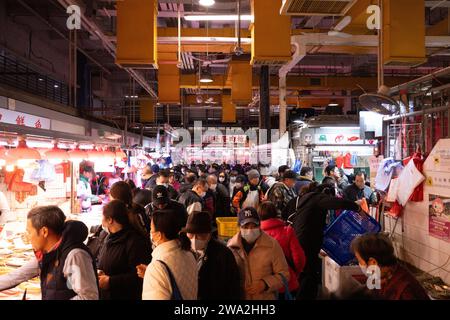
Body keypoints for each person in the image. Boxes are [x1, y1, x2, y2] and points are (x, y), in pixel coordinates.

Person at [0, 206, 99, 300]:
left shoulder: (75, 255)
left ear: (44, 232)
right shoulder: (49, 252)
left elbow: (89, 297)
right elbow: (19, 275)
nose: (28, 237)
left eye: (29, 232)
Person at [287, 183, 361, 300]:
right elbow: (338, 203)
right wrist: (357, 207)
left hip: (302, 240)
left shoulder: (305, 201)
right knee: (309, 274)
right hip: (307, 242)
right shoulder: (317, 198)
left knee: (306, 273)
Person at [227, 207, 290, 300]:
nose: (250, 230)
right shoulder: (231, 247)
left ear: (260, 225)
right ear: (239, 227)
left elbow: (284, 274)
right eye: (246, 226)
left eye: (254, 226)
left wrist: (265, 284)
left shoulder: (272, 245)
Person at [181, 211, 243, 300]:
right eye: (191, 234)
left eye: (200, 235)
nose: (194, 239)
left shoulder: (223, 255)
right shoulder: (181, 251)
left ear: (209, 235)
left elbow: (233, 286)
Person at [97, 200, 152, 300]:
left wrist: (111, 281)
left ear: (110, 220)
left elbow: (140, 276)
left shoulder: (135, 242)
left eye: (102, 217)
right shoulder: (109, 238)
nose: (101, 221)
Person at [351, 233, 429, 300]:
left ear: (373, 262)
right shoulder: (386, 274)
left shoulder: (403, 290)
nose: (360, 265)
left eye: (360, 261)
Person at [142, 210, 198, 300]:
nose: (150, 233)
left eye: (151, 229)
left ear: (159, 235)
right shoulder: (189, 254)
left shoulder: (157, 267)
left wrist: (152, 273)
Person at [258, 201, 306, 297]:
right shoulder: (287, 231)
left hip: (264, 286)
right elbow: (299, 259)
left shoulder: (256, 235)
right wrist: (294, 273)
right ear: (276, 213)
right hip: (286, 283)